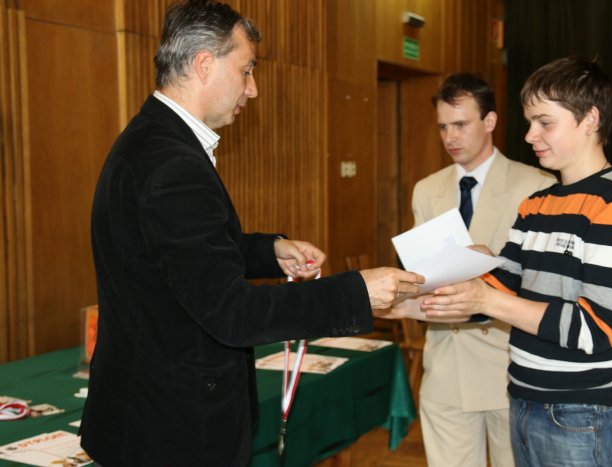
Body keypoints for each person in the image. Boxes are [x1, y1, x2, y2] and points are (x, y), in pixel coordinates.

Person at [80, 2, 423, 466]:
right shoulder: (172, 164)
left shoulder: (152, 139)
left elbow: (181, 257)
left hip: (149, 413)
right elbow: (232, 312)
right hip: (171, 429)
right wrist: (357, 292)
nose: (253, 88)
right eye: (246, 70)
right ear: (205, 65)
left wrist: (269, 251)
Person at [382, 56, 612, 466]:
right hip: (525, 397)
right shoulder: (537, 204)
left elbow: (596, 329)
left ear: (590, 119)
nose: (530, 135)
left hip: (584, 410)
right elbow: (502, 287)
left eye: (545, 122)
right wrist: (409, 302)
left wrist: (487, 297)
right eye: (529, 123)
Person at [409, 73, 554, 467]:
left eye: (461, 124)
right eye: (443, 127)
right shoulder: (426, 190)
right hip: (445, 365)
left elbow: (546, 284)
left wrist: (491, 265)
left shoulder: (536, 186)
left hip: (508, 364)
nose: (450, 137)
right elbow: (423, 277)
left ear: (490, 121)